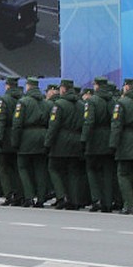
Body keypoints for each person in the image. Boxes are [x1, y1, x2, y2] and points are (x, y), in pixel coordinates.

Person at [46, 78, 85, 210]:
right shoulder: (81, 104)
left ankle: (61, 196)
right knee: (73, 171)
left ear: (63, 89)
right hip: (77, 140)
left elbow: (53, 126)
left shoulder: (59, 104)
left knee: (54, 168)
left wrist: (48, 143)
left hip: (61, 142)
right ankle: (74, 200)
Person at [12, 77, 51, 207]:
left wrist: (15, 141)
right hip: (42, 135)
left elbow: (17, 124)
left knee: (23, 167)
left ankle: (28, 196)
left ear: (28, 86)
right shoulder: (46, 103)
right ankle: (40, 198)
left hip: (27, 137)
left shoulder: (23, 102)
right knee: (40, 169)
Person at [82, 77, 116, 212]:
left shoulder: (92, 101)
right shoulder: (113, 101)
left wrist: (84, 139)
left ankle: (97, 199)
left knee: (92, 170)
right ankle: (107, 202)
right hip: (109, 139)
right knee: (107, 172)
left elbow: (89, 122)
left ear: (97, 86)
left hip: (95, 140)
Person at [110, 78, 133, 214]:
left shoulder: (121, 103)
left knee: (123, 174)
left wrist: (113, 144)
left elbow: (117, 126)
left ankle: (129, 204)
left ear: (127, 88)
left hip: (126, 141)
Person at [0, 77, 25, 206]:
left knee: (3, 168)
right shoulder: (22, 99)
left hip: (6, 137)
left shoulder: (4, 100)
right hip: (19, 137)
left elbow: (1, 120)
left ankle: (9, 194)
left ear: (7, 86)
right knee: (17, 168)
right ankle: (20, 194)